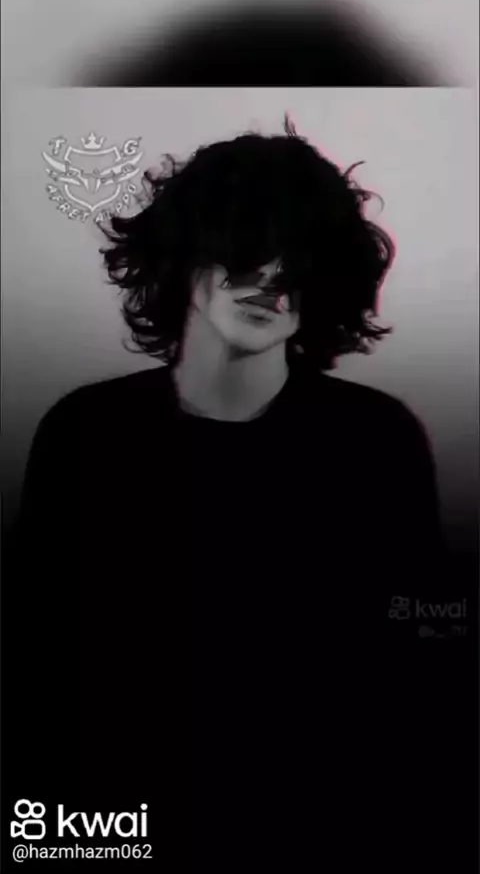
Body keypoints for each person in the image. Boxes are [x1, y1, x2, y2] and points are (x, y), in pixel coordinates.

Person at [8, 117, 453, 870]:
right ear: (186, 251)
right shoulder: (85, 433)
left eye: (300, 262)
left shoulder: (376, 443)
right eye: (246, 248)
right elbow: (34, 666)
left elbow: (425, 672)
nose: (271, 279)